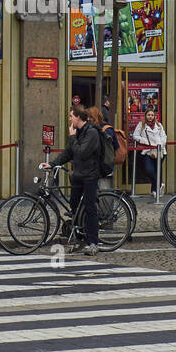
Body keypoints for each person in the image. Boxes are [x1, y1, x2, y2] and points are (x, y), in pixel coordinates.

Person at [42, 104, 102, 255]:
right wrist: (52, 164)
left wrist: (72, 137)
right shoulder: (79, 132)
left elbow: (81, 152)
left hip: (90, 175)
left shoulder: (91, 132)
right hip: (78, 175)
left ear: (78, 117)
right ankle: (81, 239)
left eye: (71, 116)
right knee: (75, 208)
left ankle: (93, 243)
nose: (69, 119)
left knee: (89, 208)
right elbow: (69, 153)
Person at [131, 108, 167, 195]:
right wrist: (146, 141)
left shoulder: (159, 125)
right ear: (145, 116)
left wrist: (160, 144)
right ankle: (159, 184)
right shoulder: (141, 125)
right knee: (149, 170)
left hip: (159, 150)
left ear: (154, 116)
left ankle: (154, 191)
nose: (150, 117)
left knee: (157, 170)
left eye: (152, 115)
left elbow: (164, 136)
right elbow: (135, 136)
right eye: (148, 115)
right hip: (147, 151)